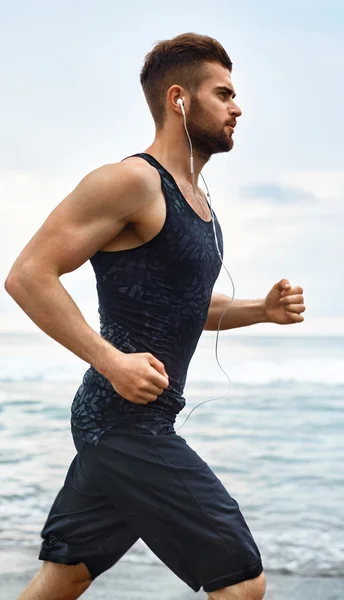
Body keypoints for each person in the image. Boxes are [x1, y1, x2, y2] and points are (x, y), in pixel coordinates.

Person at [5, 32, 306, 600]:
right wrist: (111, 361)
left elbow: (185, 309)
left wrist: (260, 311)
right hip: (122, 422)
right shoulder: (129, 182)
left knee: (63, 579)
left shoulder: (199, 201)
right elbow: (28, 276)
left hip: (137, 422)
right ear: (179, 100)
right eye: (223, 94)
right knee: (243, 584)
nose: (237, 108)